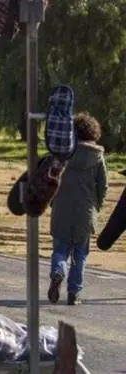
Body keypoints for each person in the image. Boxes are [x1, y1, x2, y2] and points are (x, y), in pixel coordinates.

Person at [48, 114, 108, 306]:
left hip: (62, 208)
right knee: (80, 254)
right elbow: (103, 185)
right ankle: (74, 293)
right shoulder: (98, 157)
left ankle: (58, 270)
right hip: (86, 211)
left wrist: (52, 201)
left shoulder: (62, 153)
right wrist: (96, 206)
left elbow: (51, 177)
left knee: (60, 248)